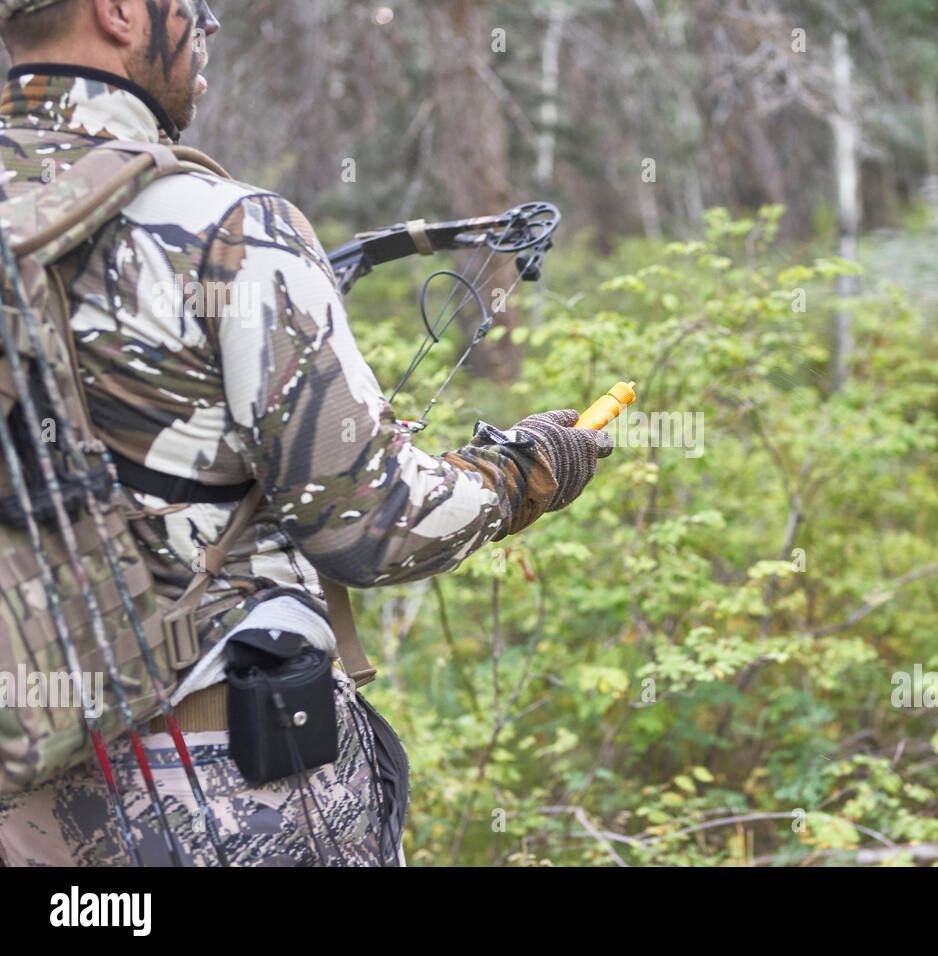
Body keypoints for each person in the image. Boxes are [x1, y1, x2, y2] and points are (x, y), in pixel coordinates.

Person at [0, 0, 611, 866]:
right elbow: (375, 524)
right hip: (217, 795)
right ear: (121, 12)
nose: (206, 29)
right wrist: (529, 470)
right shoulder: (225, 227)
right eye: (195, 8)